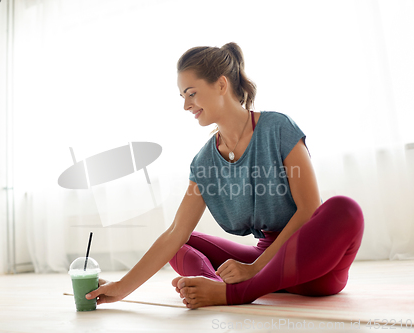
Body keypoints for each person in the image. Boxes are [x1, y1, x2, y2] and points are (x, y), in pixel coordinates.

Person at [86, 42, 364, 309]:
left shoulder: (277, 127)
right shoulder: (205, 160)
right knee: (182, 242)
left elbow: (308, 211)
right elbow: (175, 234)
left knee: (345, 209)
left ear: (221, 84)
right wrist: (120, 288)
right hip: (264, 262)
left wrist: (254, 268)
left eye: (191, 93)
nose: (186, 106)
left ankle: (235, 292)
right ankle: (214, 285)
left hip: (310, 263)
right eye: (183, 97)